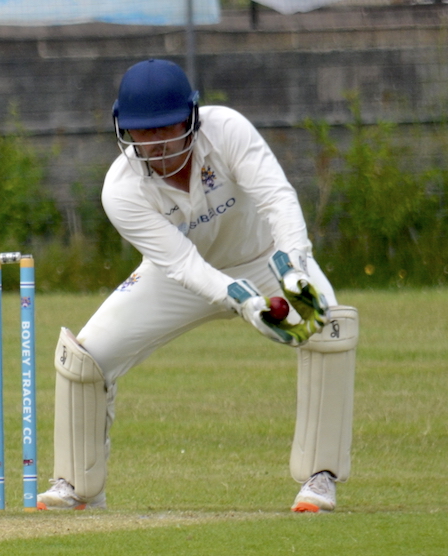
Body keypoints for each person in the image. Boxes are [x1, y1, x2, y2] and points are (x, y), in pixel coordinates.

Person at [36, 59, 358, 513]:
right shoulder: (121, 189)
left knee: (329, 325)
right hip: (180, 275)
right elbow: (183, 264)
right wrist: (242, 300)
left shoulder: (227, 129)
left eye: (166, 129)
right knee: (84, 357)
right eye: (142, 132)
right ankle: (77, 487)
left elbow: (277, 198)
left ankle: (320, 478)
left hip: (266, 258)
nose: (155, 144)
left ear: (190, 117)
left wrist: (296, 268)